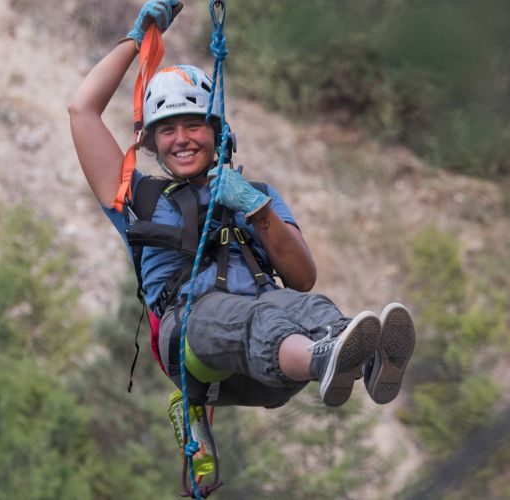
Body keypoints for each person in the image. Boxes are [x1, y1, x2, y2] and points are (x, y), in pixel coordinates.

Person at [67, 0, 415, 411]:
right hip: (194, 332)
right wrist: (136, 39)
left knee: (308, 307)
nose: (182, 138)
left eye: (194, 124)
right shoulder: (138, 198)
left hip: (270, 360)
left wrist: (255, 208)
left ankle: (363, 360)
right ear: (153, 144)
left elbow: (302, 278)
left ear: (216, 134)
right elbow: (82, 110)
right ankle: (323, 358)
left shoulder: (252, 194)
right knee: (254, 319)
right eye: (168, 130)